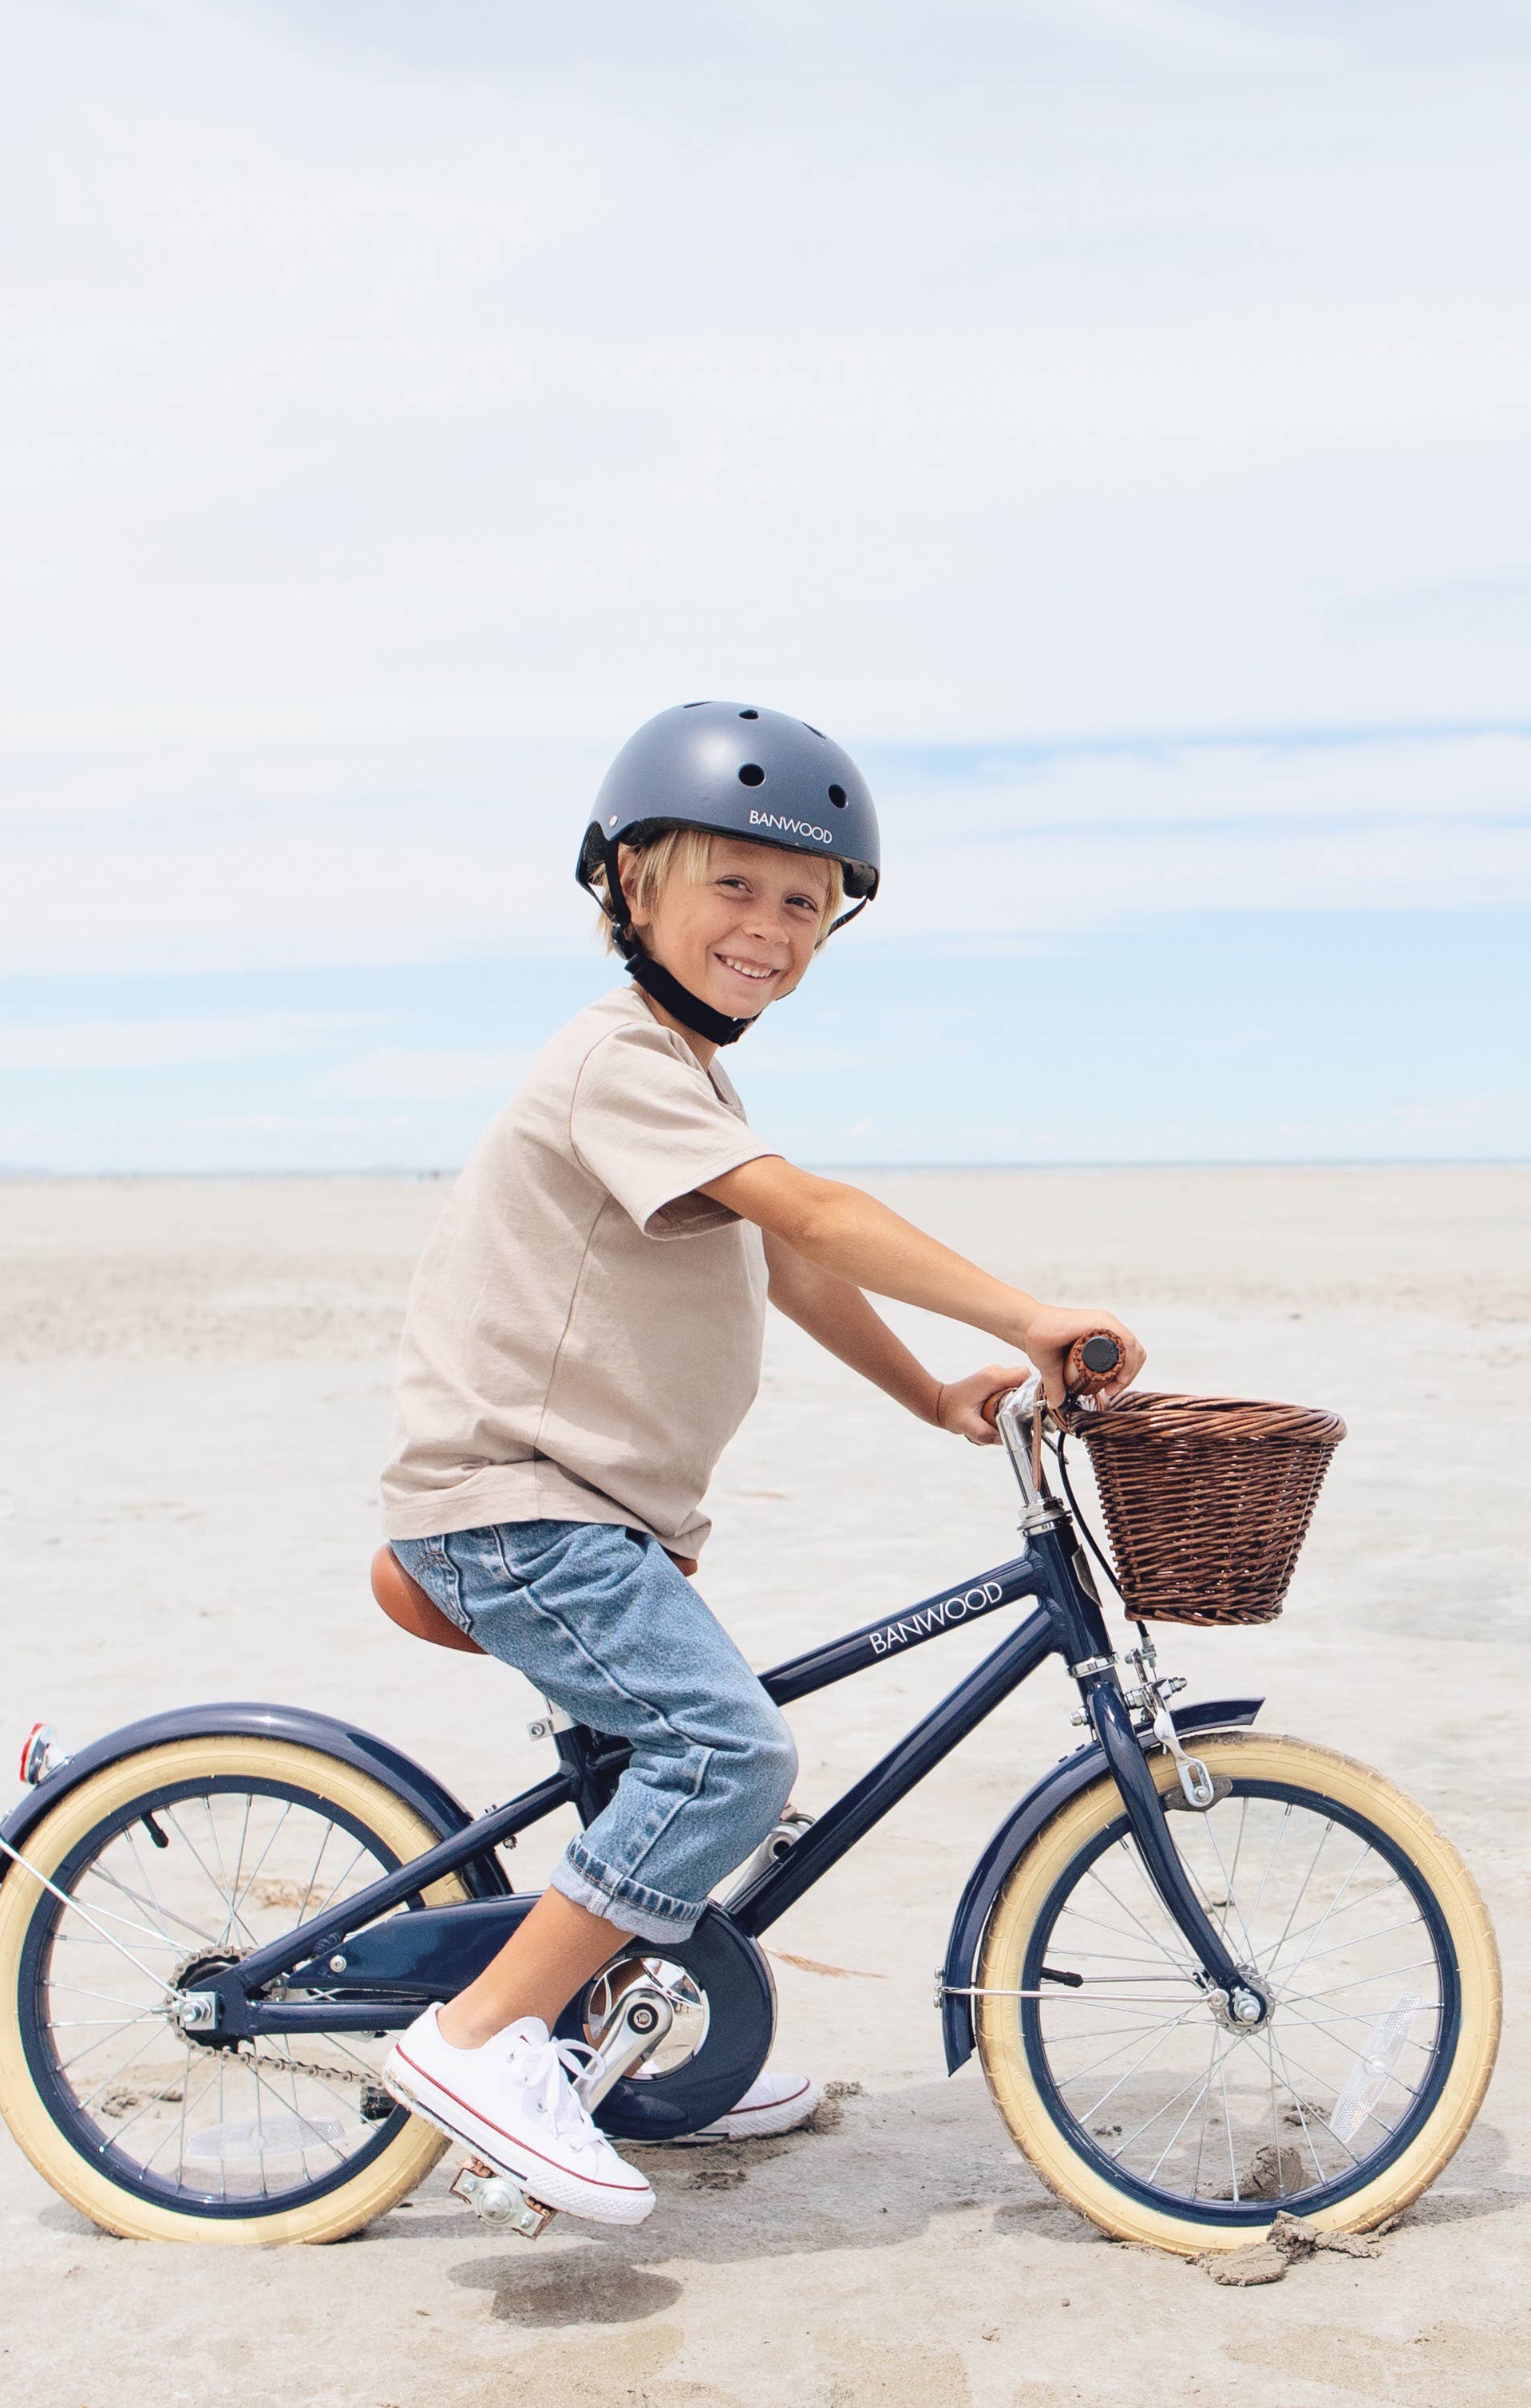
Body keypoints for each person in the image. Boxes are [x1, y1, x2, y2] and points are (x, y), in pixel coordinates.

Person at [370, 701, 1144, 2228]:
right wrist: (1027, 1312)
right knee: (727, 1757)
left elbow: (785, 1268)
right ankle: (479, 2045)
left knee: (696, 1764)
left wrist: (933, 1392)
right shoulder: (617, 1062)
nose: (771, 928)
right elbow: (812, 1216)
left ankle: (644, 2054)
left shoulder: (687, 1079)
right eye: (733, 885)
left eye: (805, 903)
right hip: (521, 1512)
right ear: (630, 885)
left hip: (597, 1519)